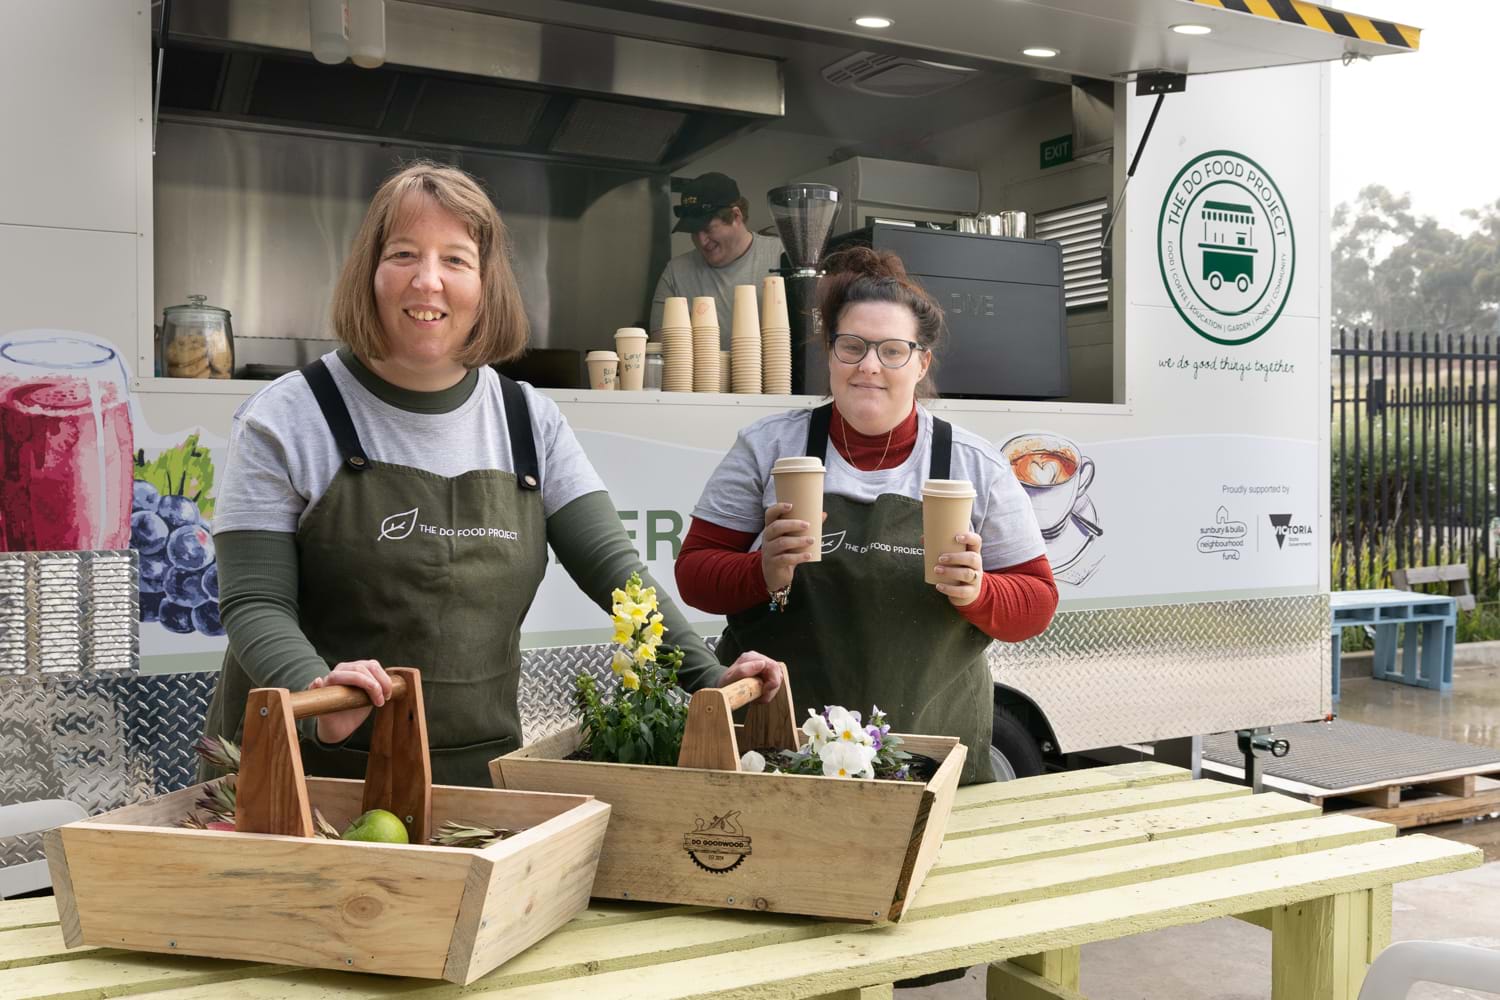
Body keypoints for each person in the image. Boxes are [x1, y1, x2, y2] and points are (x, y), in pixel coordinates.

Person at [199, 161, 781, 787]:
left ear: (485, 284)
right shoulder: (287, 417)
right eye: (403, 254)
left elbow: (619, 576)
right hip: (299, 774)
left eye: (455, 260)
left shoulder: (529, 420)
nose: (428, 282)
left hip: (473, 774)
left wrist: (707, 676)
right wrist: (313, 695)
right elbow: (254, 601)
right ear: (368, 272)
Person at [675, 247, 1058, 785]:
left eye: (892, 350)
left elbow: (1037, 602)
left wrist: (978, 593)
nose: (869, 366)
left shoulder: (974, 465)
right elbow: (694, 574)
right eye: (851, 347)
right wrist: (760, 572)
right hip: (784, 754)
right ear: (829, 355)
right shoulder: (768, 448)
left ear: (921, 361)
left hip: (929, 758)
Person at [649, 172, 784, 338]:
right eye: (693, 232)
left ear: (736, 216)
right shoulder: (676, 274)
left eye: (708, 229)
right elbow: (662, 349)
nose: (702, 241)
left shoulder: (782, 257)